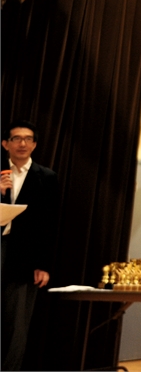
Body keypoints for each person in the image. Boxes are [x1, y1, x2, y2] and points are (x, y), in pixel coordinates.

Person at [0, 120, 61, 371]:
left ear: (34, 144)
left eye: (28, 139)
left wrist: (43, 265)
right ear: (5, 144)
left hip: (24, 257)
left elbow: (50, 224)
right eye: (16, 138)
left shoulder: (46, 177)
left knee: (16, 324)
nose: (22, 143)